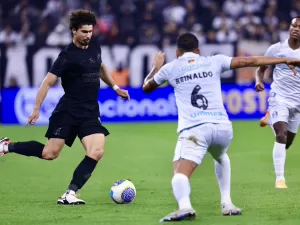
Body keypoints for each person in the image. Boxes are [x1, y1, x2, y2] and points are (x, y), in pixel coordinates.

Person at [142, 33, 300, 222]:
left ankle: (185, 207)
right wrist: (285, 59)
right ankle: (227, 204)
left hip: (195, 129)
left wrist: (155, 68)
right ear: (198, 51)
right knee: (221, 156)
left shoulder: (170, 68)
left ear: (177, 52)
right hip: (223, 129)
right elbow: (250, 61)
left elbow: (146, 88)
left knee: (179, 175)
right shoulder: (214, 61)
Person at [0, 9, 130, 205]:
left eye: (90, 31)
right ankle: (8, 146)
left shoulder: (95, 47)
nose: (88, 35)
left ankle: (70, 193)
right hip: (68, 110)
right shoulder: (67, 55)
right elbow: (47, 82)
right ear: (73, 31)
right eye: (84, 32)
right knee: (49, 153)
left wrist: (115, 87)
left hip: (90, 112)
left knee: (96, 151)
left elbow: (101, 66)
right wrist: (36, 108)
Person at [255, 17, 300, 189]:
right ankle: (280, 179)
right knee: (281, 135)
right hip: (279, 97)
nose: (296, 28)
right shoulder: (276, 49)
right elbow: (260, 68)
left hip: (297, 103)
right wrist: (259, 81)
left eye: (299, 27)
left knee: (286, 143)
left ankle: (269, 119)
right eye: (293, 25)